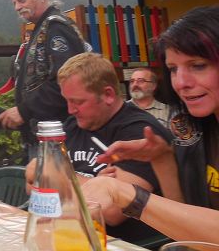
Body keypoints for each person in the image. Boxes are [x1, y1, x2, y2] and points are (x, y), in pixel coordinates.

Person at [85, 6, 219, 243]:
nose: (181, 82)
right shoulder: (196, 129)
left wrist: (129, 196)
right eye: (173, 69)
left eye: (198, 65)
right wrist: (161, 158)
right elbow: (187, 227)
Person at [25, 52, 171, 243]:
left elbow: (112, 211)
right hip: (69, 234)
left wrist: (53, 175)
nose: (70, 109)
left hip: (122, 244)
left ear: (108, 95)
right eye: (67, 100)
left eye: (78, 101)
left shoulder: (140, 132)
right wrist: (93, 183)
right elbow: (31, 184)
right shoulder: (74, 125)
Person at [0, 0, 88, 160]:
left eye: (22, 0)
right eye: (15, 2)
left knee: (53, 179)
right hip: (43, 134)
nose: (17, 7)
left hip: (57, 135)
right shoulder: (42, 28)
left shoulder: (56, 28)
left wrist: (24, 110)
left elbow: (66, 81)